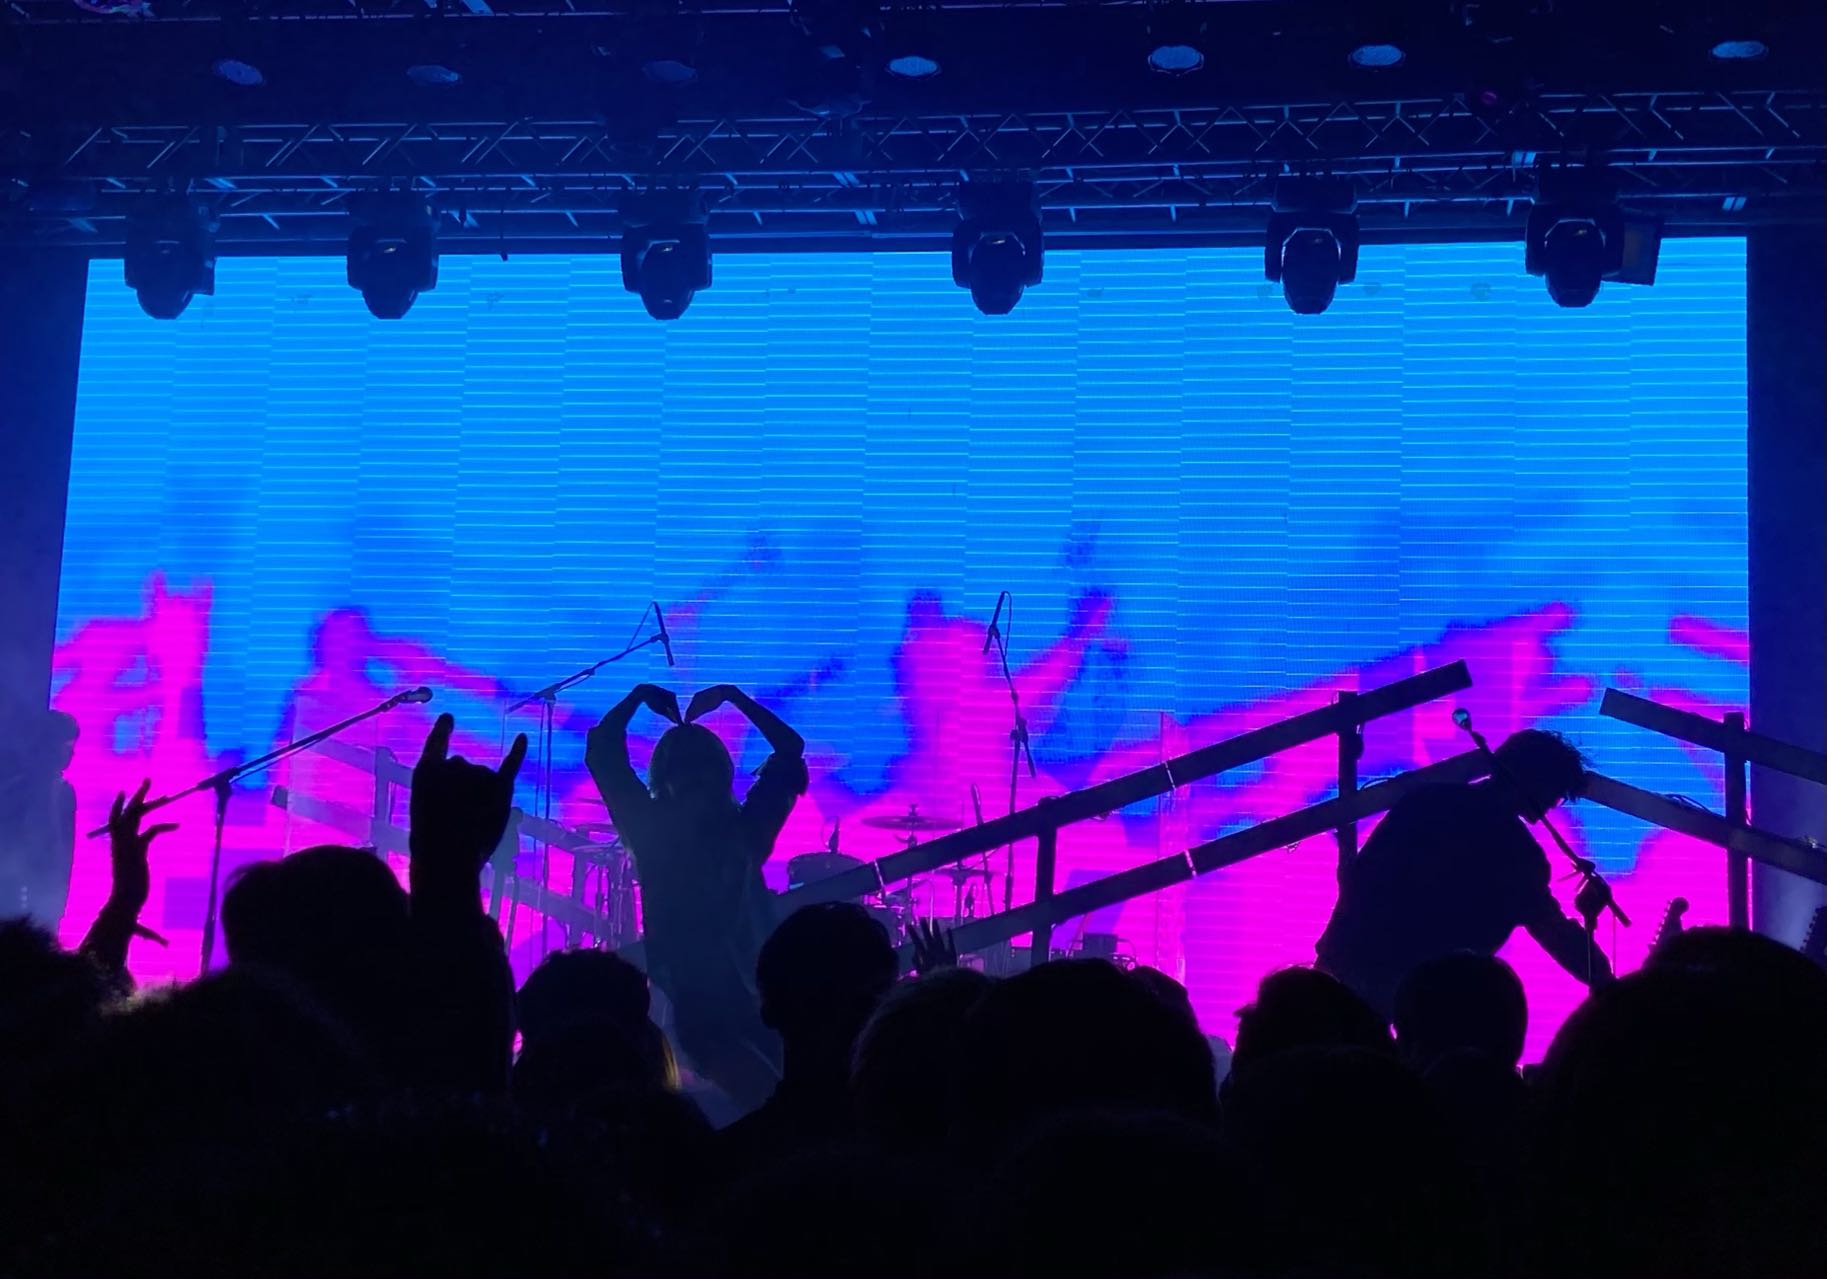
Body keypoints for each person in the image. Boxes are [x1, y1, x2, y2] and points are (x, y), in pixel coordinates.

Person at [587, 683, 807, 1112]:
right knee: (773, 1100)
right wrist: (734, 697)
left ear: (663, 779)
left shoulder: (652, 831)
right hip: (753, 994)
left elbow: (603, 751)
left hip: (702, 1002)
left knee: (760, 1102)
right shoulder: (745, 832)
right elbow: (789, 750)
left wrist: (636, 698)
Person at [1316, 728, 1610, 1020]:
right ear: (1535, 781)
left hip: (1345, 958)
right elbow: (1555, 934)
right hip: (1409, 989)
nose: (1554, 802)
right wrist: (1605, 980)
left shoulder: (1426, 801)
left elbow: (1363, 876)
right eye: (1555, 791)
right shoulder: (1517, 853)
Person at [0, 709, 79, 929]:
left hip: (48, 891)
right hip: (13, 890)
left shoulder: (64, 792)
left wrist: (60, 894)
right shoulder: (13, 789)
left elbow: (66, 848)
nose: (71, 754)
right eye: (66, 747)